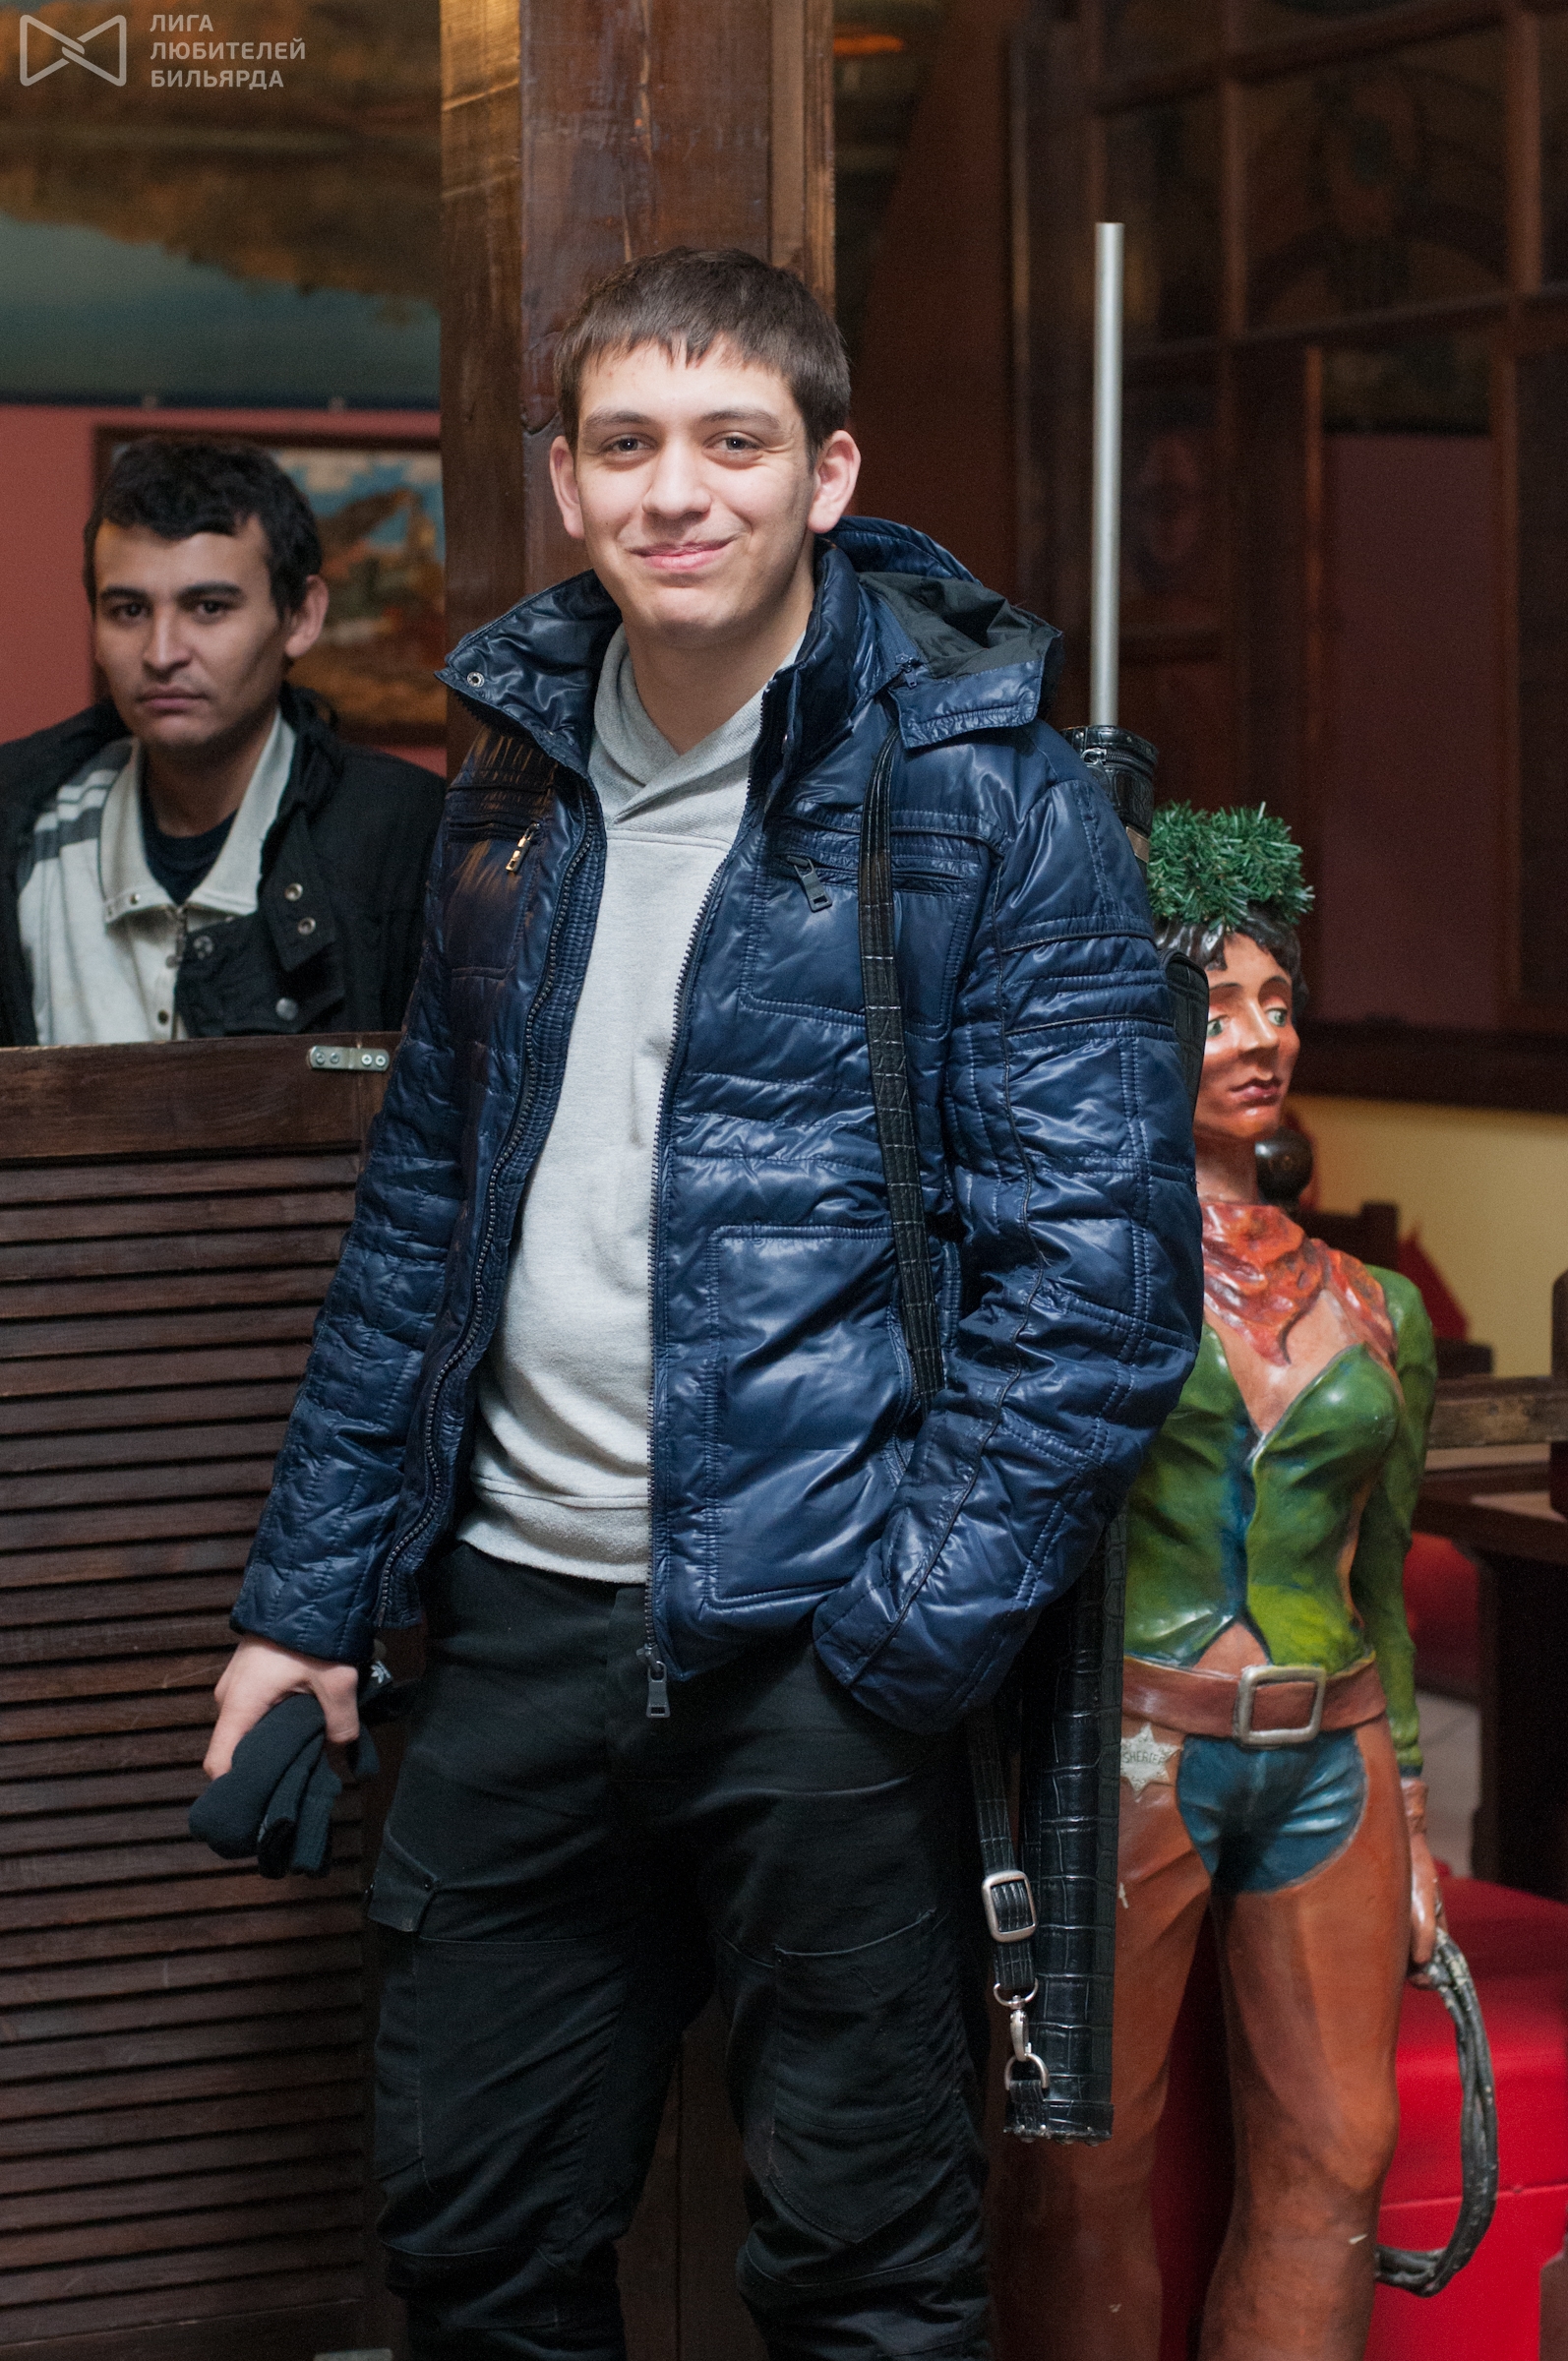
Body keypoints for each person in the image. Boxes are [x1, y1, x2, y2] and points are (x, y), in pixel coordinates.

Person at [205, 247, 1203, 2361]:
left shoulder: (990, 794)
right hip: (510, 1630)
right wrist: (305, 1608)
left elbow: (1096, 1302)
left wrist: (892, 1648)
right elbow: (419, 1222)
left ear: (825, 473)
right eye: (628, 443)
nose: (678, 491)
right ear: (568, 482)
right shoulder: (510, 784)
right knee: (473, 2250)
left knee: (864, 2284)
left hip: (821, 1656)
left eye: (732, 441)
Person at [992, 804, 1438, 2361]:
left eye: (1276, 1002)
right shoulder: (1078, 1276)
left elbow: (1386, 1586)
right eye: (1217, 1005)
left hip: (1330, 1752)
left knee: (1337, 2151)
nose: (1258, 1037)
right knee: (1076, 2162)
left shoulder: (1375, 1307)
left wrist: (1414, 1819)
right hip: (1131, 1747)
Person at [0, 436, 446, 1045]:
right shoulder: (27, 834)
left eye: (208, 607)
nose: (161, 654)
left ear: (301, 617)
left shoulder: (408, 833)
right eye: (129, 610)